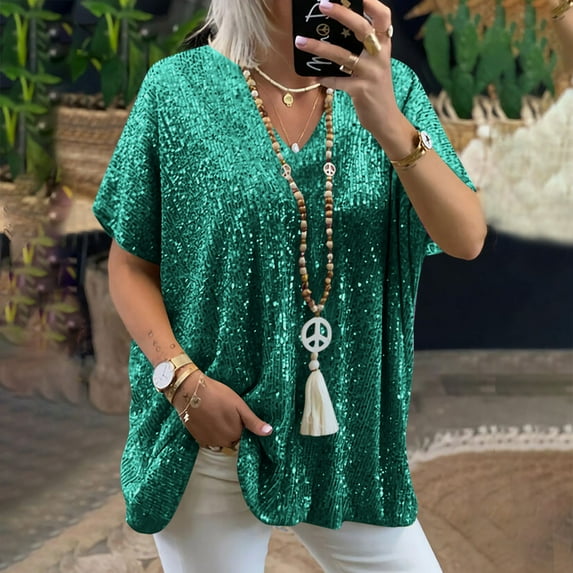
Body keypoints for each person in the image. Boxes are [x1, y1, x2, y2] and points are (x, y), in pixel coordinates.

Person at [93, 0, 486, 571]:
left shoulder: (389, 88)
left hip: (349, 446)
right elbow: (130, 266)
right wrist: (182, 384)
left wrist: (387, 121)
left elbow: (466, 238)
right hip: (215, 436)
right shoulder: (176, 90)